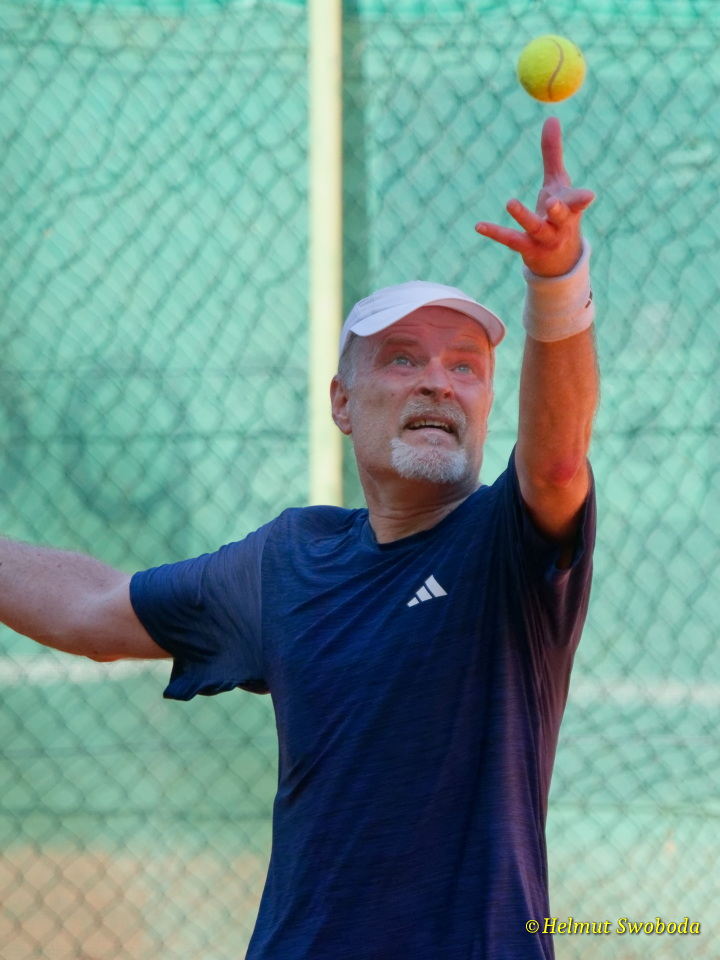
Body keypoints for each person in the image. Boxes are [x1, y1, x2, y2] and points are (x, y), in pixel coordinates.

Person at [1, 116, 598, 959]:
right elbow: (94, 610)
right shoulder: (290, 560)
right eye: (403, 358)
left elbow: (558, 463)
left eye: (465, 365)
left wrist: (557, 280)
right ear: (343, 403)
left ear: (487, 401)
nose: (438, 380)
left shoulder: (507, 547)